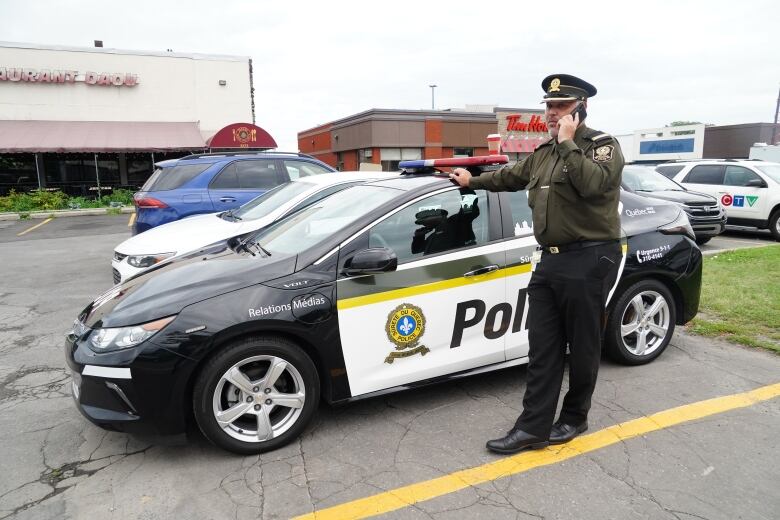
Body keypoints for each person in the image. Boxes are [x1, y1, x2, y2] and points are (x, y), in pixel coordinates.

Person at [450, 74, 624, 454]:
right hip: (550, 261)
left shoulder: (602, 147)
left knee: (582, 346)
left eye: (560, 105)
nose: (551, 112)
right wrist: (472, 181)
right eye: (548, 105)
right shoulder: (543, 153)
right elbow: (509, 177)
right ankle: (533, 428)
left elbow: (593, 185)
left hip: (591, 257)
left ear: (580, 107)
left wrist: (566, 142)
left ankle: (575, 417)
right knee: (542, 347)